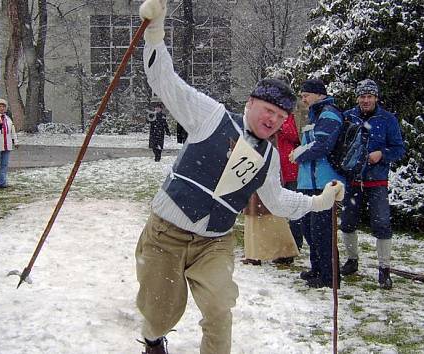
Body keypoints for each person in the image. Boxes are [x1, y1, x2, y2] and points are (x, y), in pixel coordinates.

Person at [136, 1, 344, 353]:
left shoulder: (269, 157)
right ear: (250, 103)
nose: (274, 120)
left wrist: (318, 201)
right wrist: (155, 33)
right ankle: (154, 339)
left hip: (213, 244)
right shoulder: (212, 116)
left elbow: (278, 200)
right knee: (160, 313)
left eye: (281, 116)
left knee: (219, 310)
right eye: (269, 110)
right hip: (165, 235)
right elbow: (165, 82)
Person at [339, 79, 405, 289]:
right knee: (347, 222)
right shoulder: (348, 116)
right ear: (357, 97)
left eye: (370, 96)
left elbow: (399, 149)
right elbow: (338, 145)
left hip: (377, 181)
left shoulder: (387, 119)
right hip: (352, 181)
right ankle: (352, 260)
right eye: (362, 96)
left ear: (376, 97)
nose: (366, 100)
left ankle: (384, 269)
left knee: (382, 224)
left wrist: (382, 154)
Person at [289, 79, 344, 289]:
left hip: (323, 181)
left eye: (306, 94)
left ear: (320, 94)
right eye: (302, 95)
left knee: (322, 231)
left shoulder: (328, 113)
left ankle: (330, 276)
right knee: (310, 229)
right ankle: (317, 268)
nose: (303, 98)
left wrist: (298, 153)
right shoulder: (315, 114)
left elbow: (322, 146)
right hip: (309, 180)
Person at [273, 113, 303, 264]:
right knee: (278, 211)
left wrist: (281, 124)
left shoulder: (289, 116)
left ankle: (293, 247)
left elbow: (295, 136)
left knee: (292, 210)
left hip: (291, 171)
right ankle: (281, 246)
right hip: (276, 171)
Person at [0, 98, 18, 188]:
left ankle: (2, 182)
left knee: (4, 165)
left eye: (3, 106)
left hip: (7, 145)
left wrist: (15, 140)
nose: (1, 108)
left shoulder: (8, 118)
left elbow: (12, 130)